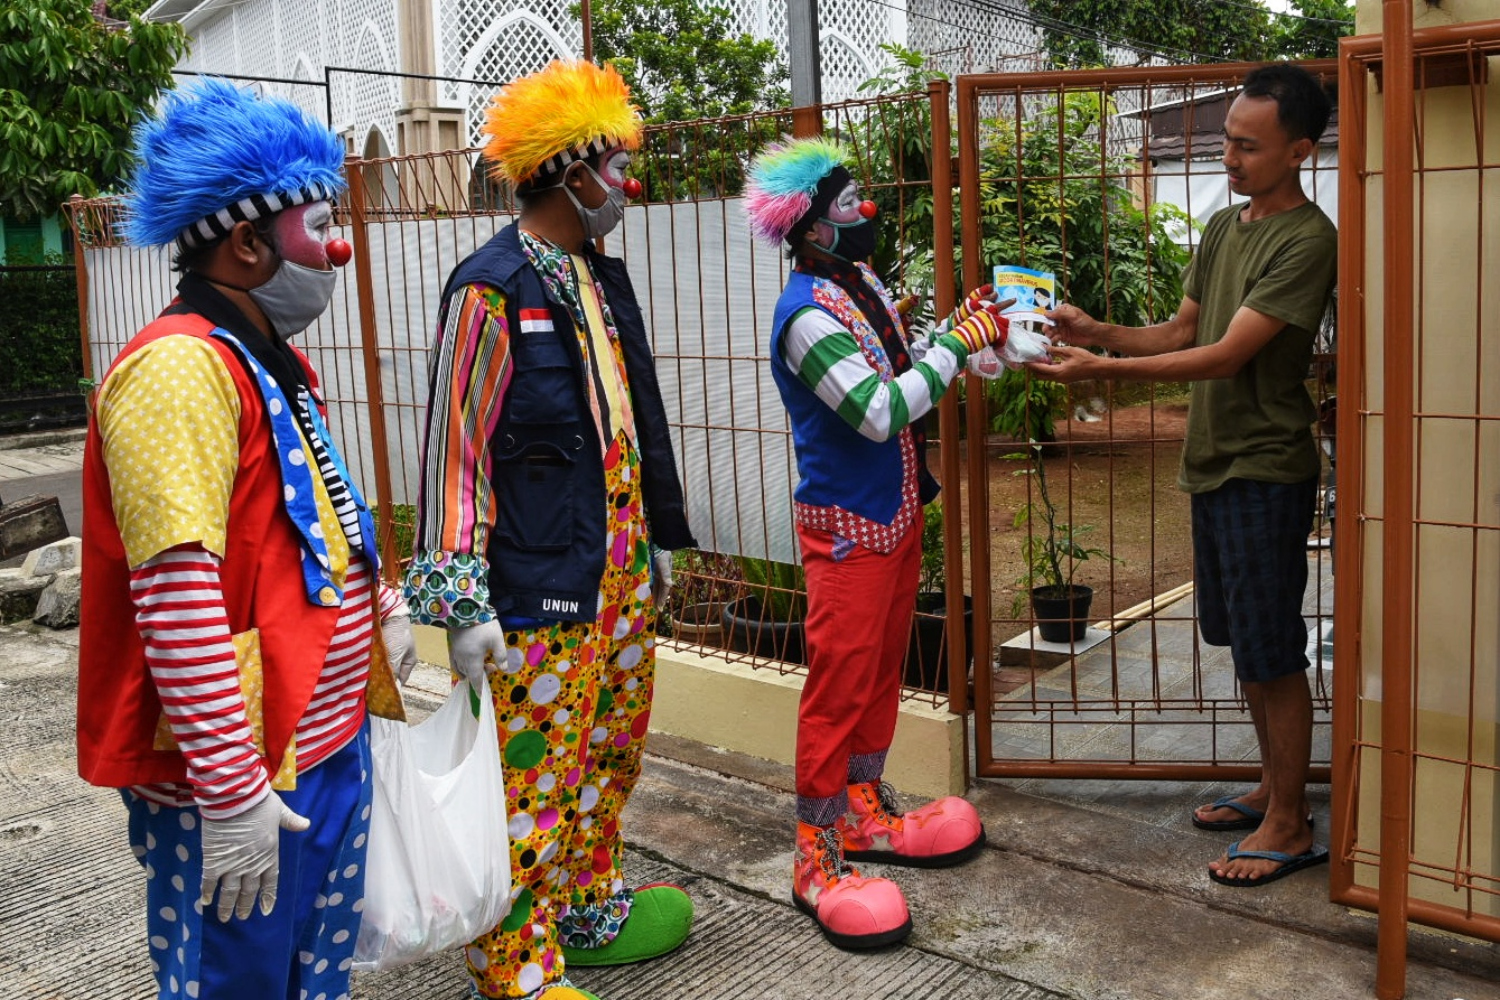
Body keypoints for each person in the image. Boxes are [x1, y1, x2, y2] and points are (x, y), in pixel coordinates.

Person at [76, 79, 416, 999]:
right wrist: (229, 788)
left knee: (314, 970)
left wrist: (377, 603)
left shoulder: (266, 356)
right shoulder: (180, 370)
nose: (340, 247)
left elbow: (312, 519)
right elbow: (175, 584)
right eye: (323, 224)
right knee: (240, 981)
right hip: (244, 771)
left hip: (322, 742)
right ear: (249, 240)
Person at [404, 60, 697, 1000]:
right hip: (536, 578)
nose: (625, 184)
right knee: (533, 766)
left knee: (609, 746)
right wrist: (458, 596)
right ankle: (514, 959)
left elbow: (627, 421)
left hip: (612, 563)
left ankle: (585, 905)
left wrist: (654, 536)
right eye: (612, 165)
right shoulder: (489, 290)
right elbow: (455, 448)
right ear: (566, 171)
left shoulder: (596, 279)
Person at [1024, 62, 1338, 888]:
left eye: (1247, 146)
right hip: (1214, 465)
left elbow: (1230, 355)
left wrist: (1100, 368)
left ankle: (1290, 819)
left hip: (1265, 465)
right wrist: (1101, 331)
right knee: (1243, 642)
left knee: (1275, 650)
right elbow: (1179, 330)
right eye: (1227, 141)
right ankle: (1272, 787)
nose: (1229, 158)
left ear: (1299, 149)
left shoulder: (1308, 240)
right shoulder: (1226, 230)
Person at [743, 137, 1005, 949]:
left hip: (891, 515)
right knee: (838, 687)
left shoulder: (857, 285)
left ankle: (862, 808)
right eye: (850, 203)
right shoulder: (806, 316)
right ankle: (814, 855)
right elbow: (881, 410)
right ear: (814, 227)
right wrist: (955, 347)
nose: (868, 211)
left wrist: (966, 339)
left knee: (881, 670)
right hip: (847, 534)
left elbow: (910, 364)